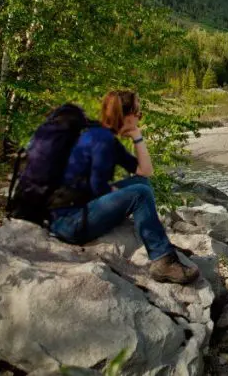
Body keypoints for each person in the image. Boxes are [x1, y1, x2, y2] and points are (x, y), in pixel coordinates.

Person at [48, 90, 199, 284]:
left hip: (75, 211)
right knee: (140, 193)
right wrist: (119, 194)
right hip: (69, 223)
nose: (140, 116)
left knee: (140, 183)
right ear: (126, 115)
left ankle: (160, 244)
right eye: (138, 112)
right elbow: (95, 188)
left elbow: (145, 172)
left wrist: (137, 136)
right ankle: (163, 262)